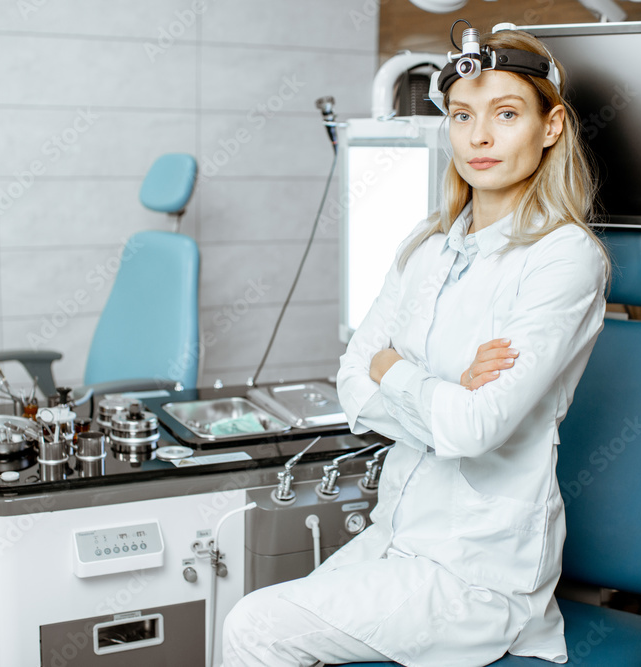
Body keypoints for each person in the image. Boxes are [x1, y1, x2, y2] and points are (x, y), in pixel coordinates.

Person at [223, 24, 609, 667]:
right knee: (272, 622)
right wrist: (445, 393)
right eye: (463, 116)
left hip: (476, 576)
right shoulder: (428, 247)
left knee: (254, 628)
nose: (478, 137)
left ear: (551, 126)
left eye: (506, 114)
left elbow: (473, 427)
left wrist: (398, 371)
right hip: (396, 538)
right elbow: (352, 386)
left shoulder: (563, 259)